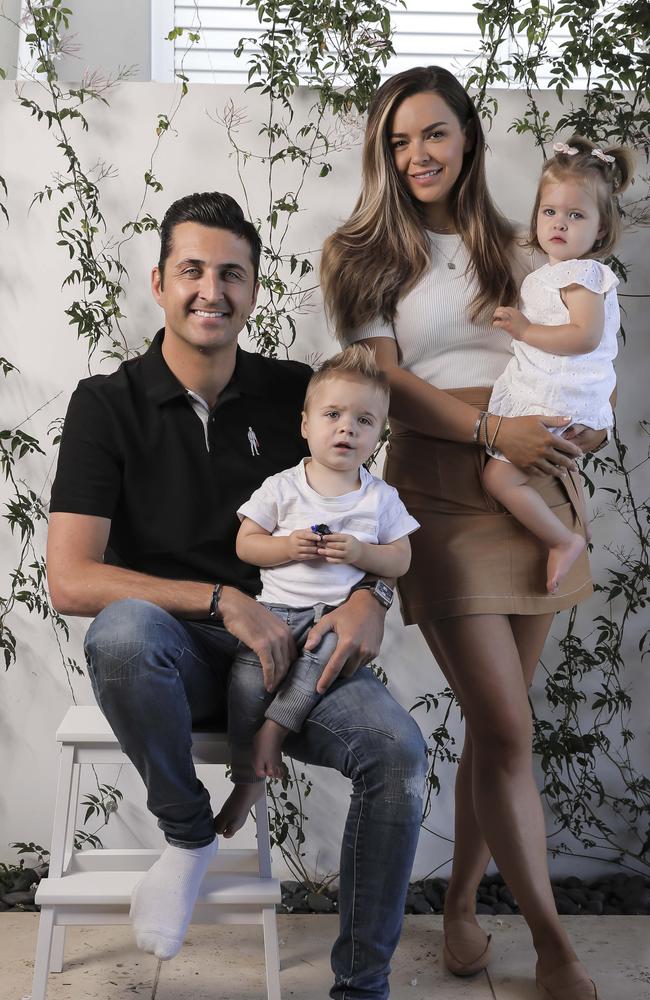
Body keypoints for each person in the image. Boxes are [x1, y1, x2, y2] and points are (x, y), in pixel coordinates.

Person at [46, 191, 427, 998]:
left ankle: (361, 989)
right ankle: (187, 838)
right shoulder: (104, 406)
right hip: (172, 658)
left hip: (294, 652)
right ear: (158, 282)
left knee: (397, 754)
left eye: (232, 274)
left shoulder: (296, 392)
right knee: (119, 634)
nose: (210, 290)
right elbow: (72, 578)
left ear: (254, 291)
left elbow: (361, 507)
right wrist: (222, 601)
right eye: (191, 270)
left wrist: (371, 600)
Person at [321, 66, 614, 1000]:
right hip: (446, 489)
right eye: (400, 140)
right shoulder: (362, 255)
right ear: (382, 151)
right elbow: (384, 381)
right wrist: (491, 430)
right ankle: (552, 942)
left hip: (534, 487)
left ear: (468, 138)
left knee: (501, 737)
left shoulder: (520, 245)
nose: (418, 155)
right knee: (507, 729)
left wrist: (585, 426)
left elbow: (567, 345)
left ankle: (457, 904)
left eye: (435, 134)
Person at [218, 346, 419, 836]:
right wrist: (287, 546)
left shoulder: (379, 497)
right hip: (275, 613)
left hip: (333, 620)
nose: (347, 428)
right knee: (246, 684)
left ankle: (275, 731)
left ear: (380, 435)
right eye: (333, 415)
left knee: (318, 670)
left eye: (364, 420)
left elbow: (401, 557)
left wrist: (360, 555)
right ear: (305, 425)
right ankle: (246, 779)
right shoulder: (283, 487)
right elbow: (246, 544)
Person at [486, 137, 632, 595]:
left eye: (576, 215)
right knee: (534, 471)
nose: (560, 224)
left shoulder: (581, 274)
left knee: (498, 476)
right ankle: (572, 531)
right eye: (550, 212)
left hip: (562, 396)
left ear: (601, 229)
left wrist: (526, 331)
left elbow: (585, 337)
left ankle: (561, 540)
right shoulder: (553, 274)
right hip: (563, 395)